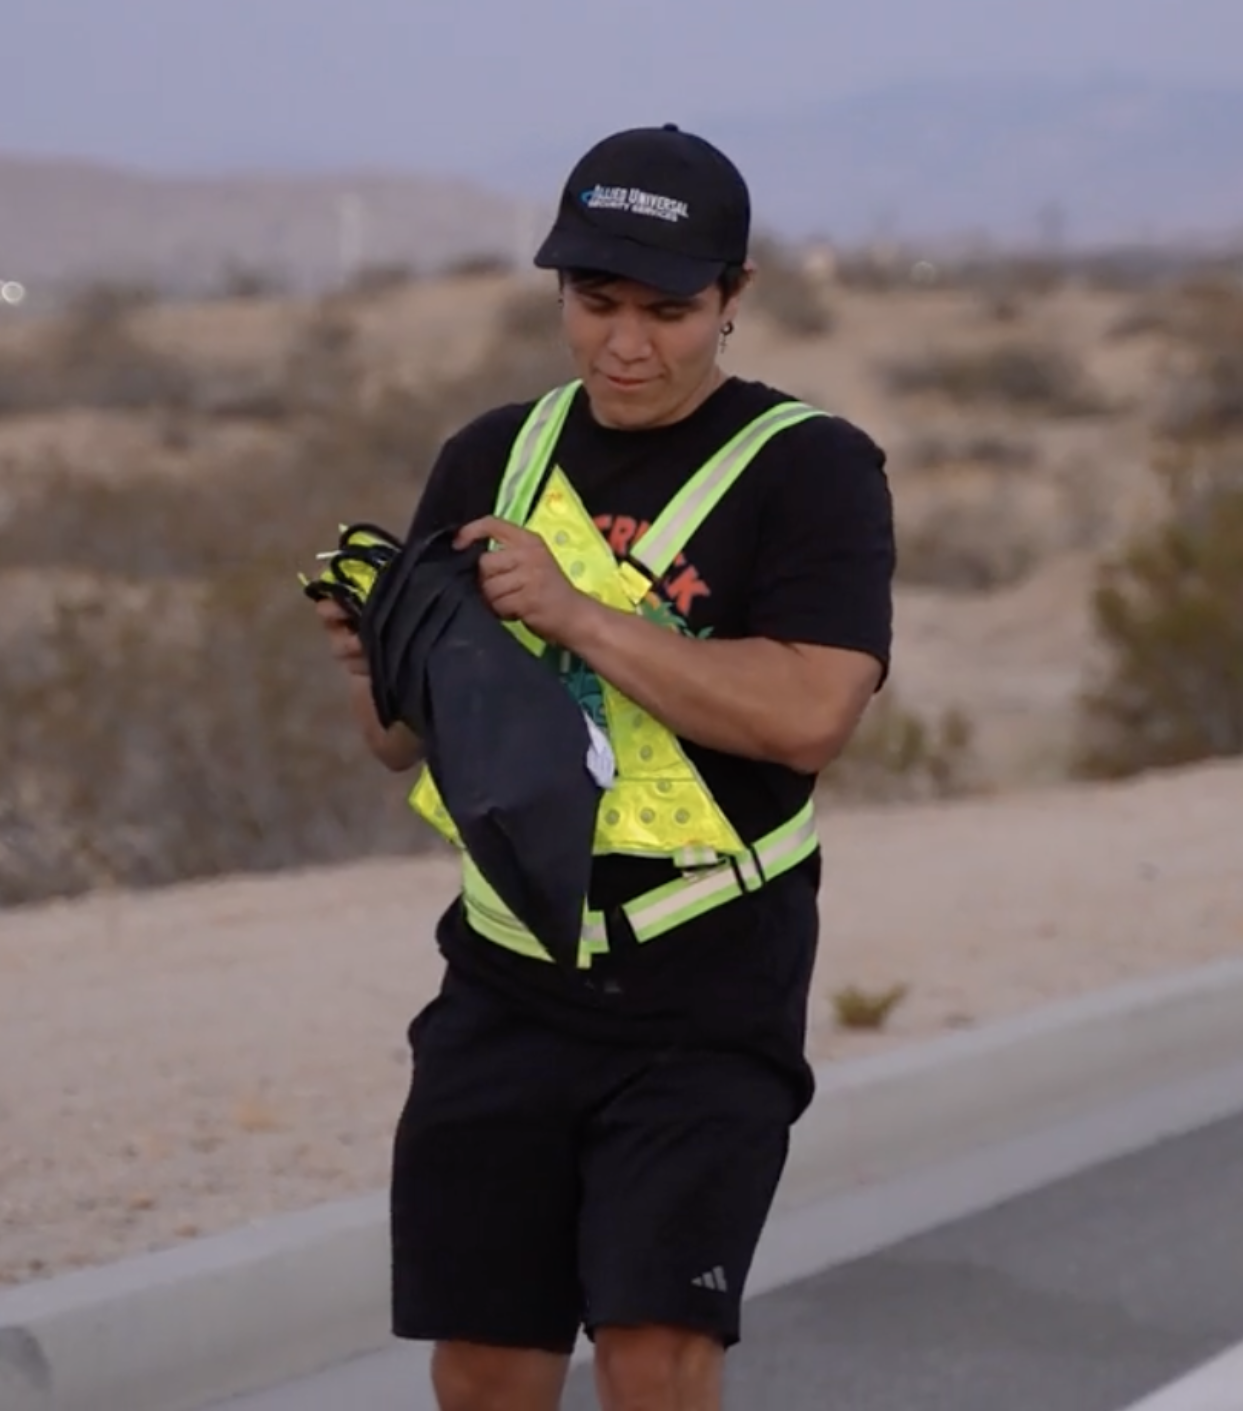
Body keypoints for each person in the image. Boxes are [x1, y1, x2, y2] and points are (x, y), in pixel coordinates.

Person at [309, 122, 896, 1411]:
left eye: (668, 311)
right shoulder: (490, 456)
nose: (626, 344)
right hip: (507, 970)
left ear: (734, 295)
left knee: (654, 1356)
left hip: (709, 979)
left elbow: (811, 714)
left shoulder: (810, 468)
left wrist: (577, 614)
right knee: (485, 1368)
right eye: (595, 301)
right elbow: (402, 746)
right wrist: (376, 662)